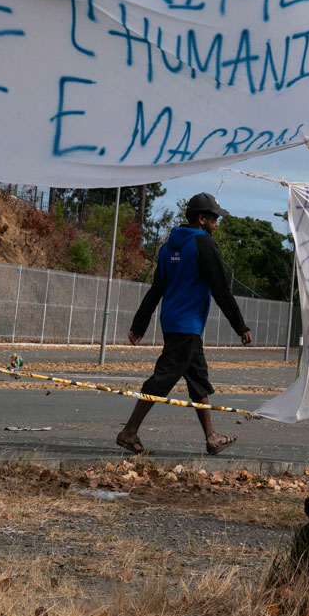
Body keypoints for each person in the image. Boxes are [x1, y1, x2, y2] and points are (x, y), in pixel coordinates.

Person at [117, 192, 252, 455]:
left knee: (198, 379)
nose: (217, 224)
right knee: (162, 378)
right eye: (214, 219)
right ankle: (128, 431)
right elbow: (221, 290)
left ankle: (211, 437)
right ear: (201, 219)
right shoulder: (203, 244)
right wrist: (241, 326)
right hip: (187, 325)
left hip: (173, 322)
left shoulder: (168, 249)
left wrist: (140, 324)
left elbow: (156, 290)